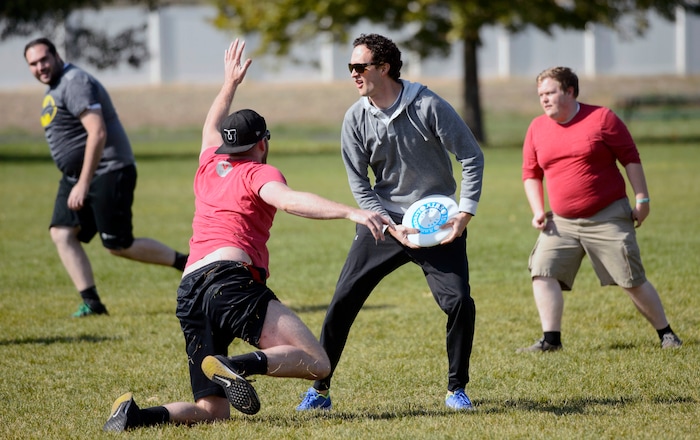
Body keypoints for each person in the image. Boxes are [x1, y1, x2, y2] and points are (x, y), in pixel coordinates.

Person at [102, 39, 392, 431]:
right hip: (230, 282)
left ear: (227, 145)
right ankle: (235, 365)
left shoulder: (210, 162)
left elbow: (209, 127)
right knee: (317, 361)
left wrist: (229, 83)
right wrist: (351, 211)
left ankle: (135, 417)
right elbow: (289, 201)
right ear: (262, 143)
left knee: (212, 411)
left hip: (190, 291)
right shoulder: (260, 173)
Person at [296, 33, 484, 412]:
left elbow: (471, 155)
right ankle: (319, 391)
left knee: (459, 301)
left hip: (436, 219)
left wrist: (464, 213)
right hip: (383, 221)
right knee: (342, 303)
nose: (352, 74)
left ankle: (456, 390)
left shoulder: (428, 105)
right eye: (349, 67)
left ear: (383, 68)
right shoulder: (355, 118)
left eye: (359, 66)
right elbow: (359, 183)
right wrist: (386, 223)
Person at [517, 66, 682, 353]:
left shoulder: (602, 118)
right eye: (540, 94)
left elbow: (630, 157)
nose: (544, 99)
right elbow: (530, 173)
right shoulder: (536, 128)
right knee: (542, 270)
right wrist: (537, 209)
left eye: (550, 92)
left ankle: (666, 333)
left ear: (569, 91)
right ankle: (550, 340)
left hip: (607, 216)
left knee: (630, 279)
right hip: (562, 222)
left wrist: (642, 199)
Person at [23, 38, 189, 317]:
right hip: (78, 175)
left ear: (56, 55)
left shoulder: (74, 81)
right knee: (62, 233)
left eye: (44, 59)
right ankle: (92, 303)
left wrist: (84, 183)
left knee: (118, 245)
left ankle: (186, 263)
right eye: (33, 63)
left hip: (107, 170)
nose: (40, 67)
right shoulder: (56, 86)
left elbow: (97, 132)